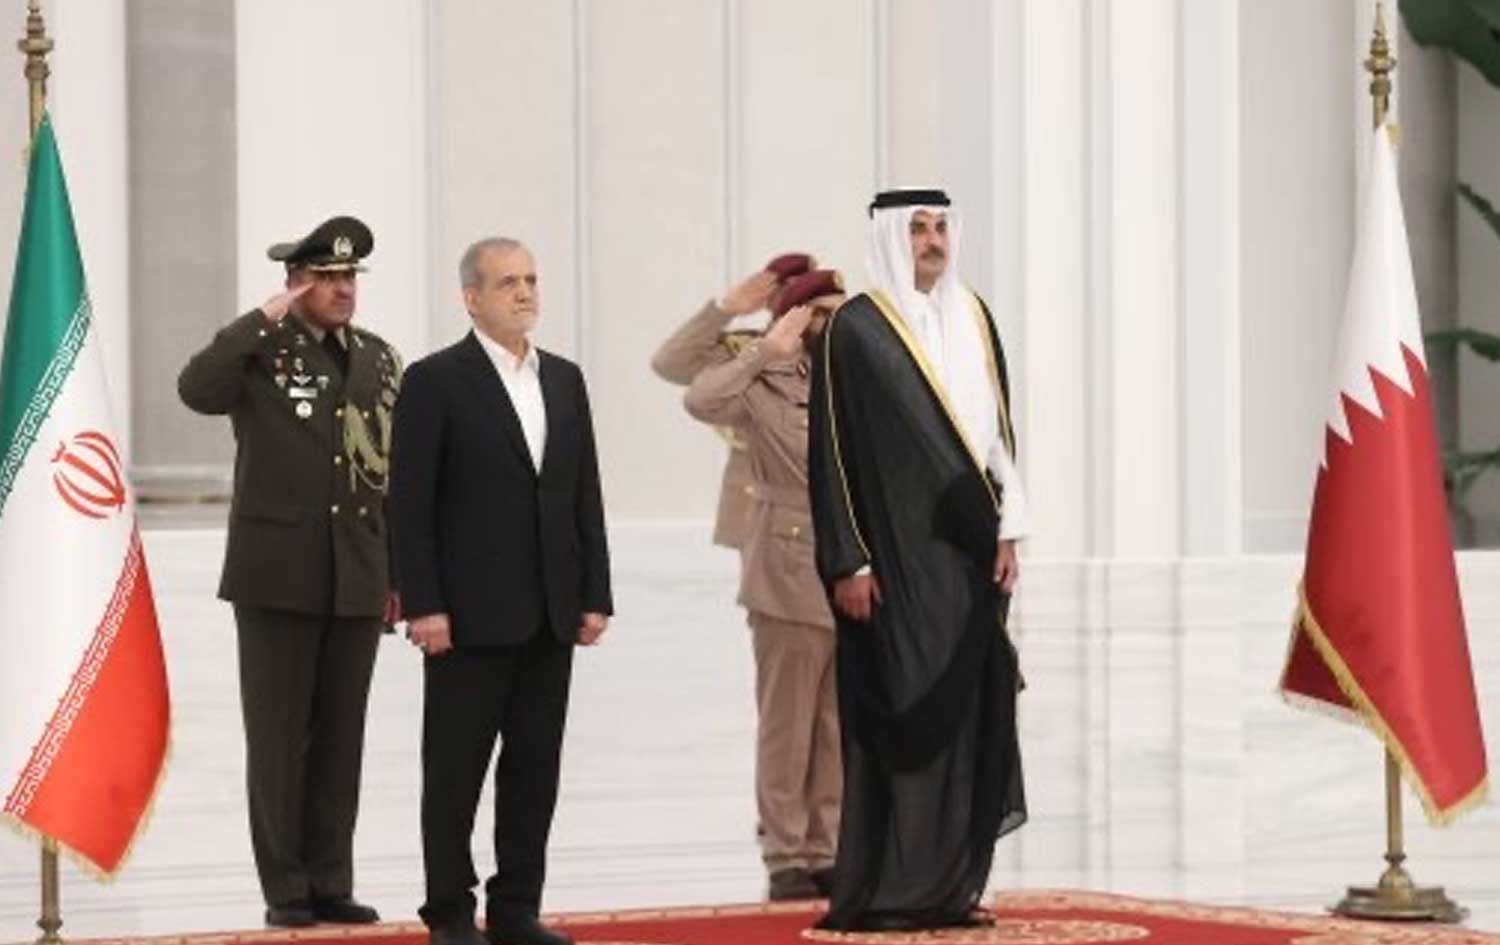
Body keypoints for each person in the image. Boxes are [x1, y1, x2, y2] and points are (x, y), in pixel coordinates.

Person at [807, 188, 1029, 931]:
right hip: (894, 558)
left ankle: (950, 885)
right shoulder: (857, 328)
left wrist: (1009, 529)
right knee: (905, 705)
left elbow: (998, 437)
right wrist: (848, 560)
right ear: (890, 237)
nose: (932, 240)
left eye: (940, 227)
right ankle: (891, 889)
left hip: (969, 552)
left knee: (970, 710)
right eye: (918, 229)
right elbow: (831, 452)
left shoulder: (975, 316)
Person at [178, 215, 400, 929]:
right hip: (276, 572)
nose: (342, 289)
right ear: (296, 283)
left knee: (340, 738)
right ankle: (287, 888)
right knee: (278, 739)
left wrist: (395, 573)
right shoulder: (260, 350)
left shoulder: (379, 359)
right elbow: (196, 388)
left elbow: (389, 469)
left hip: (356, 571)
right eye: (326, 278)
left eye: (349, 277)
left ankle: (332, 880)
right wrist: (261, 317)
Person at [390, 237, 612, 945]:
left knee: (533, 772)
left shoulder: (565, 379)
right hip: (465, 616)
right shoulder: (435, 380)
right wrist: (424, 604)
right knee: (454, 774)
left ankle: (516, 909)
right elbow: (410, 504)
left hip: (550, 612)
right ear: (471, 298)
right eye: (508, 281)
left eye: (532, 280)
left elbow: (583, 492)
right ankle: (450, 913)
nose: (525, 293)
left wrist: (595, 592)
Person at [684, 270, 846, 902]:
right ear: (795, 321)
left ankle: (826, 848)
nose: (832, 325)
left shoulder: (853, 382)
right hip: (787, 566)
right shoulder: (763, 382)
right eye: (821, 314)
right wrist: (760, 351)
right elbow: (698, 398)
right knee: (789, 722)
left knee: (834, 725)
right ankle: (785, 853)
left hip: (851, 571)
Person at [651, 253, 815, 556]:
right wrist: (725, 309)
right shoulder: (742, 352)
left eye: (807, 291)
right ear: (768, 298)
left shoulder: (839, 345)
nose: (797, 301)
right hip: (761, 502)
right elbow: (669, 364)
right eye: (784, 290)